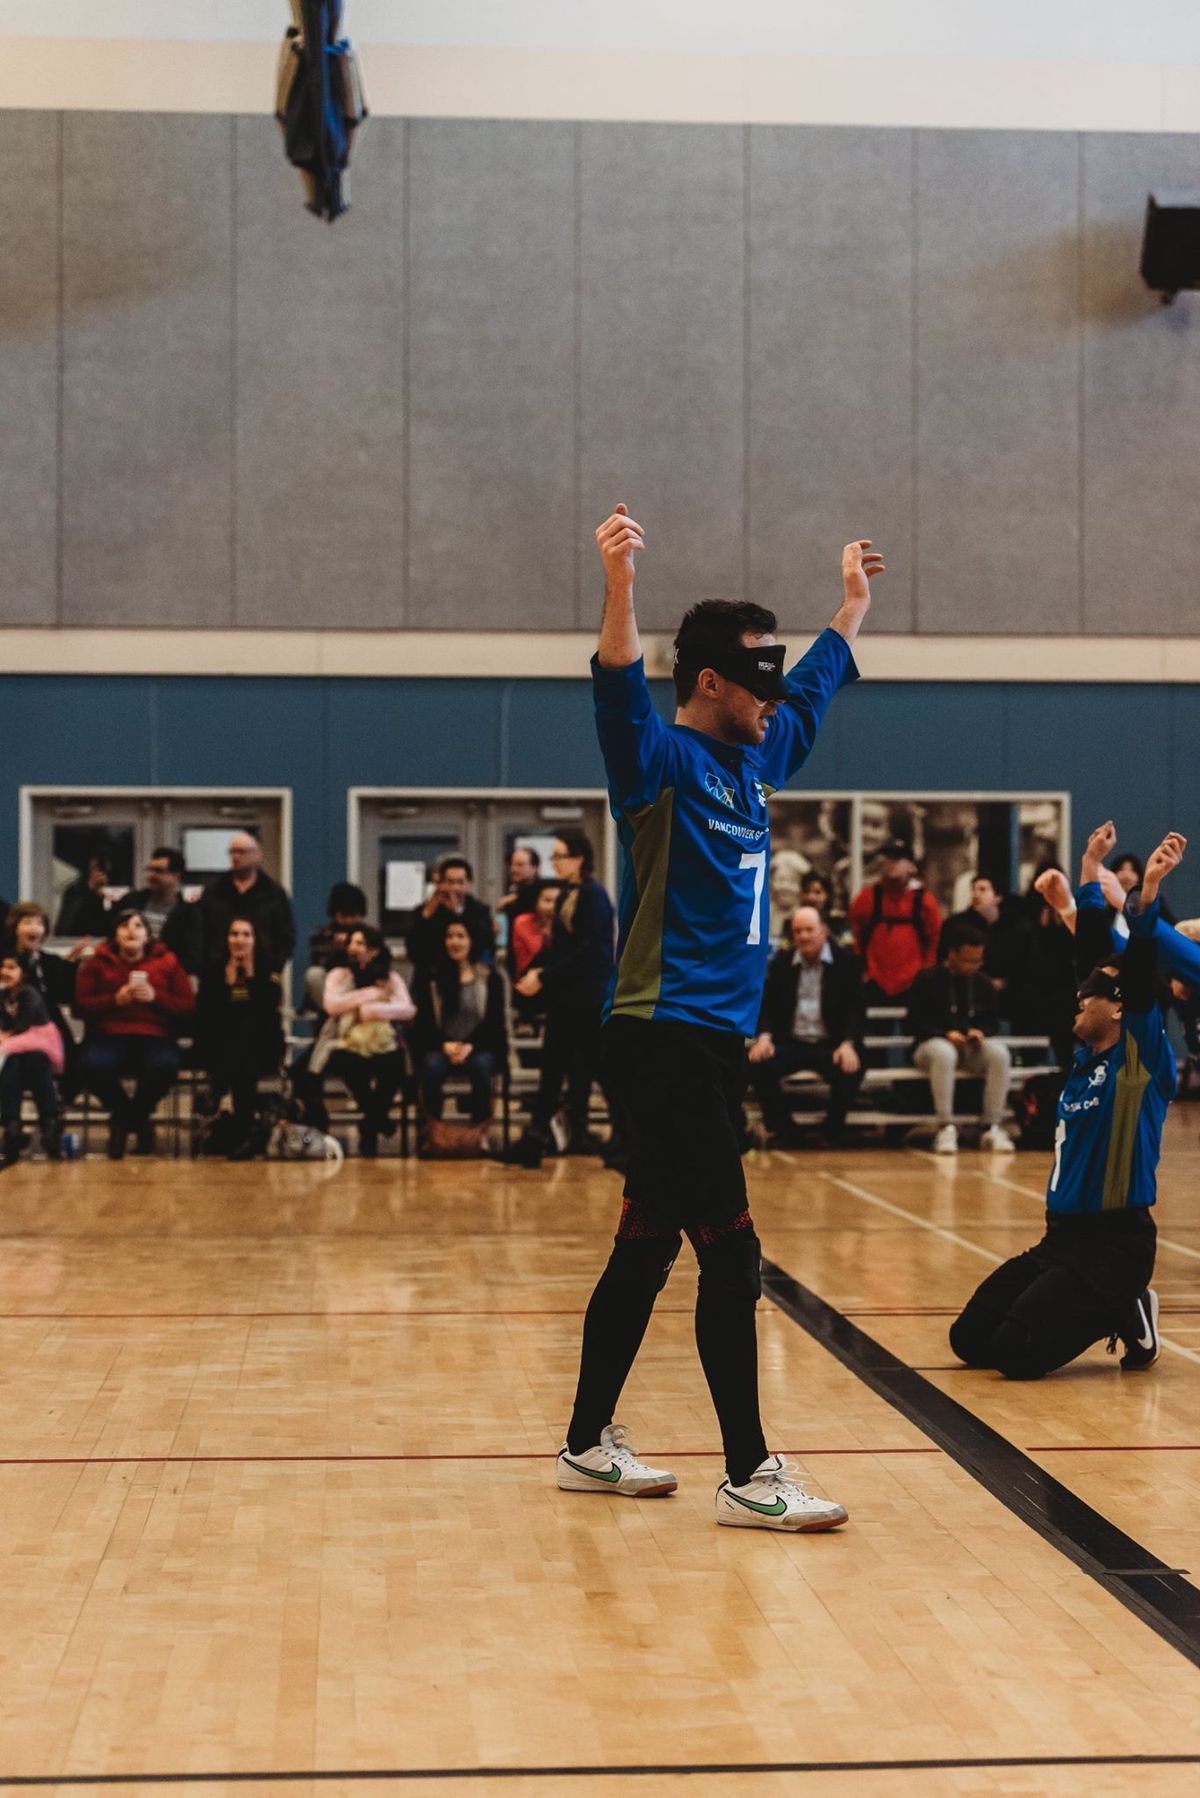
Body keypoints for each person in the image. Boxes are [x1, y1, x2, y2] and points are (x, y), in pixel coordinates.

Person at [557, 502, 883, 1532]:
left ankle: (583, 1443)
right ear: (708, 682)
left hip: (703, 1048)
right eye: (759, 682)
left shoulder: (756, 758)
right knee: (732, 1253)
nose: (775, 700)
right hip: (658, 1037)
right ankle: (749, 1469)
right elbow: (616, 687)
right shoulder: (658, 766)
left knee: (649, 1241)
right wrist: (620, 591)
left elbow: (818, 686)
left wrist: (851, 608)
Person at [949, 823, 1181, 1380]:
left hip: (1115, 1245)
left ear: (1122, 1008)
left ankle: (1124, 1301)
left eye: (1090, 995)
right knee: (970, 1340)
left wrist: (1145, 894)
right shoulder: (1085, 1057)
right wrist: (1082, 874)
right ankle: (1120, 1305)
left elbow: (1138, 971)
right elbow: (1091, 961)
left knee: (1014, 1356)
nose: (1078, 997)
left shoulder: (1137, 1059)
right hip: (1060, 1240)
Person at [512, 832, 616, 1160]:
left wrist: (542, 976)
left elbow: (593, 952)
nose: (554, 862)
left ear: (579, 858)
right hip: (567, 996)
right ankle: (550, 1135)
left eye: (560, 855)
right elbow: (563, 950)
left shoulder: (594, 895)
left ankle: (618, 1138)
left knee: (590, 1068)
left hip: (587, 998)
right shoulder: (567, 894)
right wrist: (540, 976)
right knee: (563, 1068)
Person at [75, 908, 194, 1158]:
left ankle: (124, 1121)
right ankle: (137, 1121)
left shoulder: (168, 961)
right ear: (115, 935)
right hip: (109, 1033)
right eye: (124, 926)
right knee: (91, 1065)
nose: (131, 930)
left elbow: (187, 1006)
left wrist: (156, 997)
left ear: (148, 936)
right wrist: (114, 1000)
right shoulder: (97, 962)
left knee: (164, 1066)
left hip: (154, 1033)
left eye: (138, 926)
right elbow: (81, 1006)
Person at [748, 904, 865, 1145]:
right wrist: (765, 1036)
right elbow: (766, 1004)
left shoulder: (846, 962)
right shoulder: (782, 962)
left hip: (830, 1043)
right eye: (797, 931)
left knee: (852, 1067)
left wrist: (848, 1042)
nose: (803, 936)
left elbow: (856, 1007)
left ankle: (832, 1132)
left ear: (823, 931)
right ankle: (784, 1129)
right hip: (792, 1042)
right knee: (754, 1063)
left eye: (809, 930)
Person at [299, 925, 416, 1156]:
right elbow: (332, 1005)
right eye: (351, 942)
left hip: (382, 1042)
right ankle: (378, 1120)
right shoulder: (338, 975)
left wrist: (372, 1011)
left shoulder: (390, 978)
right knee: (350, 1063)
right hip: (345, 1041)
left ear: (373, 950)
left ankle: (371, 1123)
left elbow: (407, 1009)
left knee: (393, 1064)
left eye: (360, 943)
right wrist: (371, 995)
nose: (353, 947)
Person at [907, 923, 1014, 1154]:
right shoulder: (926, 979)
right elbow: (914, 1022)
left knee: (999, 1054)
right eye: (967, 960)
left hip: (968, 1047)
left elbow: (992, 1022)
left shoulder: (983, 983)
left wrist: (980, 1032)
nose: (972, 966)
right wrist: (944, 1033)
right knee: (943, 1053)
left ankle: (991, 1125)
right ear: (952, 954)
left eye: (977, 960)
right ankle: (945, 1126)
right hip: (931, 1044)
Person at [195, 916, 286, 1156]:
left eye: (246, 934)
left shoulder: (269, 967)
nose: (240, 940)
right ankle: (243, 1132)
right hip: (223, 1044)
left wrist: (251, 976)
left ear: (255, 939)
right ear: (226, 939)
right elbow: (209, 1010)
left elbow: (267, 1007)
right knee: (235, 1042)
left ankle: (219, 1096)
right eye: (234, 934)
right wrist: (228, 982)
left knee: (246, 1034)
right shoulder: (214, 968)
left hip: (261, 1045)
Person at [414, 919, 506, 1127]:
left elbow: (494, 1023)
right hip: (441, 1046)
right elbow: (425, 1024)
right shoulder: (432, 978)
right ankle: (432, 1130)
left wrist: (470, 1045)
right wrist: (445, 1045)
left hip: (479, 1045)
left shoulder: (490, 978)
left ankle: (480, 1130)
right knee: (432, 1067)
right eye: (449, 936)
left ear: (472, 941)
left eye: (460, 936)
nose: (454, 942)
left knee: (482, 1067)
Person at [848, 838, 941, 1004]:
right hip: (874, 983)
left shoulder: (925, 902)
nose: (892, 863)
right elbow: (854, 936)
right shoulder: (866, 898)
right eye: (888, 858)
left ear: (911, 866)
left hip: (913, 984)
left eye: (898, 858)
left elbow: (935, 941)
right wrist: (862, 972)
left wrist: (925, 976)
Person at [0, 951, 64, 1168]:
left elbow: (24, 1023)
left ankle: (49, 1123)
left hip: (39, 1040)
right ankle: (12, 1125)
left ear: (24, 973)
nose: (4, 972)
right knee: (12, 1063)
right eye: (2, 967)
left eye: (11, 968)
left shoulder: (30, 993)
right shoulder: (3, 995)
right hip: (17, 1047)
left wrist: (6, 1035)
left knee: (36, 1061)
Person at [200, 832, 296, 972]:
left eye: (241, 852)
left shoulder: (273, 893)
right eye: (232, 852)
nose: (235, 856)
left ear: (257, 855)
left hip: (263, 972)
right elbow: (202, 931)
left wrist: (275, 967)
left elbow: (286, 935)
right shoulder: (214, 891)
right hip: (217, 972)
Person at [4, 901, 79, 1077]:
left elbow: (64, 995)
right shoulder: (6, 962)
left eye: (39, 923)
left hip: (47, 1024)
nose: (34, 928)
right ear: (15, 928)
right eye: (28, 923)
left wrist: (69, 967)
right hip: (14, 1023)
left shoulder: (50, 961)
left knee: (72, 1056)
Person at [945, 875, 1032, 1016]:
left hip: (1011, 993)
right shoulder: (958, 925)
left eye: (983, 890)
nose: (976, 894)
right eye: (973, 890)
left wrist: (1007, 982)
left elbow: (1025, 964)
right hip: (971, 990)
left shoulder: (1016, 928)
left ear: (997, 897)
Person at [124, 846, 204, 977]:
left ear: (176, 877)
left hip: (166, 980)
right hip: (128, 974)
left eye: (158, 871)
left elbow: (192, 960)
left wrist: (156, 968)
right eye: (150, 869)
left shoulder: (188, 915)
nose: (151, 875)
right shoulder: (132, 902)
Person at [406, 855, 494, 970]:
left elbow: (486, 946)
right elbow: (414, 951)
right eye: (450, 882)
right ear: (441, 884)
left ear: (469, 884)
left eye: (460, 882)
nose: (455, 888)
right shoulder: (425, 911)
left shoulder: (480, 911)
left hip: (469, 976)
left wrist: (457, 913)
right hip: (432, 977)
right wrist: (427, 915)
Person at [55, 850, 115, 939]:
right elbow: (66, 926)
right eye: (96, 869)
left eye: (104, 870)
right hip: (76, 939)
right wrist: (91, 891)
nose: (100, 874)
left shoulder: (115, 892)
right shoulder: (75, 891)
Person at [496, 846, 542, 935]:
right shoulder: (514, 890)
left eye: (520, 865)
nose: (513, 869)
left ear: (534, 868)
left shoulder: (541, 894)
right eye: (512, 865)